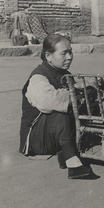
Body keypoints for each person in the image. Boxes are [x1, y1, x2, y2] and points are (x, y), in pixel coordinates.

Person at [19, 34, 92, 179]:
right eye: (64, 53)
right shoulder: (38, 77)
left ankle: (64, 150)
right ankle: (72, 161)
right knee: (59, 110)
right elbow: (47, 102)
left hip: (55, 134)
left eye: (70, 52)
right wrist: (76, 90)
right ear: (48, 55)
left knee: (89, 99)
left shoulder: (64, 74)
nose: (70, 57)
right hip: (37, 140)